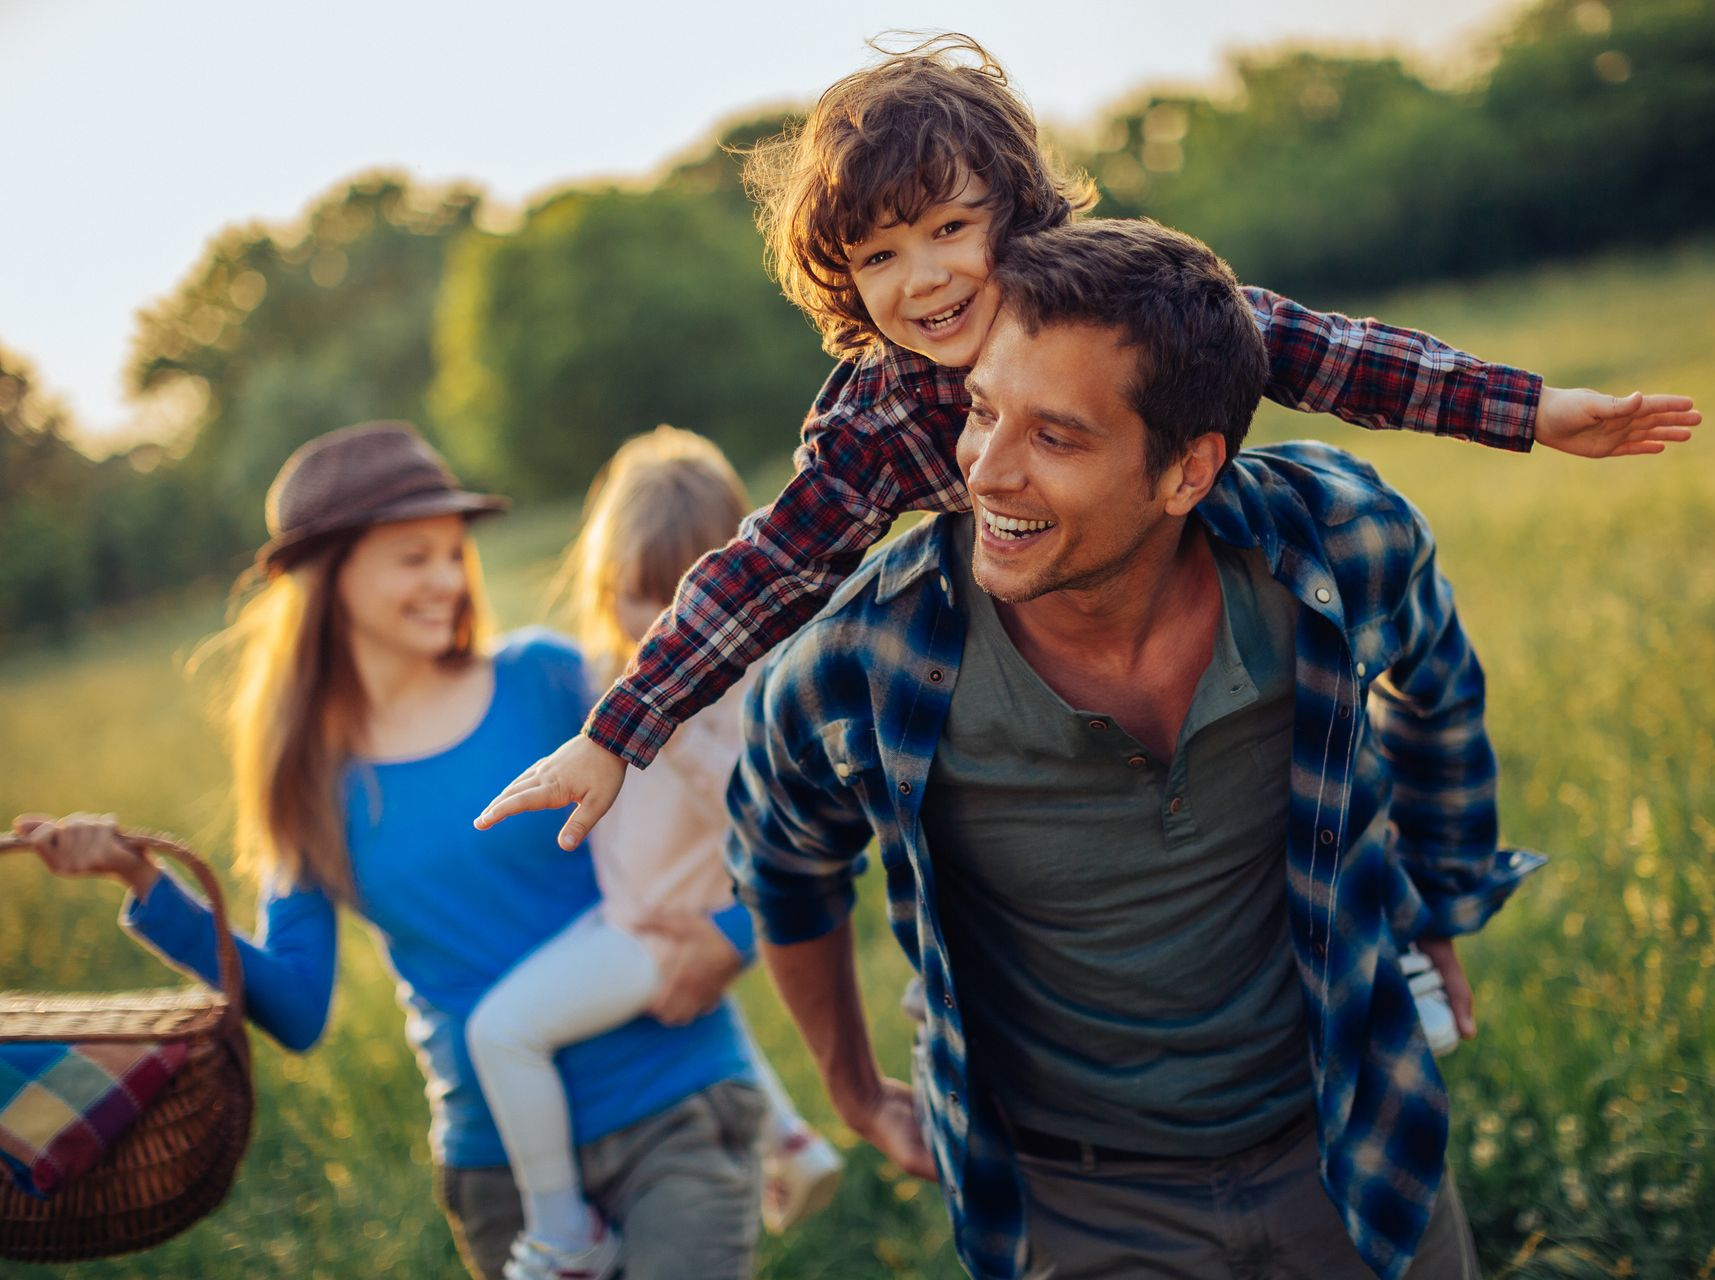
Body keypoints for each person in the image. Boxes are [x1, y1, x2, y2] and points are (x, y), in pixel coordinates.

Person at [475, 32, 1698, 852]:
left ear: (1009, 208)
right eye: (877, 257)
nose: (924, 278)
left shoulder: (1112, 297)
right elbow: (769, 564)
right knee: (964, 740)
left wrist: (1530, 411)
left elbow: (1316, 350)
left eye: (948, 227)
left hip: (1186, 559)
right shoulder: (875, 412)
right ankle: (964, 961)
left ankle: (1379, 906)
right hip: (1023, 632)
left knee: (1297, 713)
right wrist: (615, 730)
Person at [724, 218, 1546, 1279]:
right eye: (981, 412)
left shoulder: (1337, 540)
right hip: (1073, 1206)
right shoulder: (861, 659)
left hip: (1352, 1133)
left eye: (1054, 437)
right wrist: (849, 1087)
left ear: (1185, 470)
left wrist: (1438, 887)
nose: (986, 470)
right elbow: (779, 860)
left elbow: (1433, 683)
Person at [15, 422, 767, 1280]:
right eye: (413, 557)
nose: (447, 579)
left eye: (453, 553)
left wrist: (731, 941)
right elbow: (296, 1007)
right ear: (329, 581)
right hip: (501, 1171)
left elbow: (752, 808)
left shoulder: (551, 678)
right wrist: (141, 882)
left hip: (677, 1103)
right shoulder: (307, 781)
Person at [464, 425, 842, 1278]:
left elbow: (773, 809)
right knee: (703, 1007)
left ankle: (562, 1234)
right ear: (604, 583)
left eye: (684, 595)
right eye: (637, 593)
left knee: (503, 1032)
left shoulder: (734, 691)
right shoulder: (608, 667)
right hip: (640, 910)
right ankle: (791, 1140)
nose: (658, 623)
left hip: (658, 924)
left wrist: (681, 736)